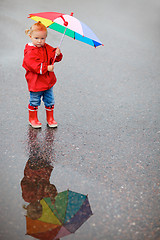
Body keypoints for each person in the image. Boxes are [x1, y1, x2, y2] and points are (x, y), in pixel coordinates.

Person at [22, 21, 63, 128]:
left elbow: (53, 56)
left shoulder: (46, 47)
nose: (40, 41)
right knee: (35, 100)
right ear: (30, 36)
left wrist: (57, 54)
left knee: (49, 100)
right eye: (36, 38)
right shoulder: (29, 51)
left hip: (48, 81)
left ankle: (50, 118)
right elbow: (32, 65)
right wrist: (46, 67)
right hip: (36, 82)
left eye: (42, 38)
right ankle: (33, 118)